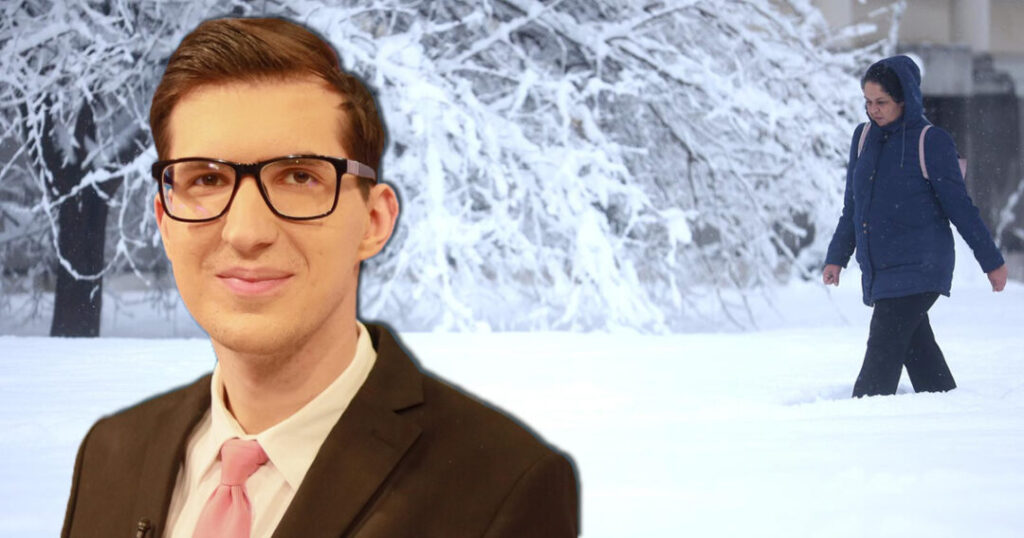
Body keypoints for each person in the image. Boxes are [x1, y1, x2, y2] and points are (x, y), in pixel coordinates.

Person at [61, 17, 578, 538]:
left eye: (298, 176)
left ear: (374, 221)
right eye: (208, 178)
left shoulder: (503, 489)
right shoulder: (109, 455)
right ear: (165, 224)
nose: (246, 232)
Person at [823, 55, 1008, 398]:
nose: (873, 110)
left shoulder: (931, 141)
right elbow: (853, 206)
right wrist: (837, 257)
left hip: (922, 265)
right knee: (918, 351)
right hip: (882, 268)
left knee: (882, 353)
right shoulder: (863, 138)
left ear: (904, 99)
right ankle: (946, 405)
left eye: (881, 102)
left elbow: (960, 207)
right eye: (868, 102)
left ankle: (862, 415)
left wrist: (991, 261)